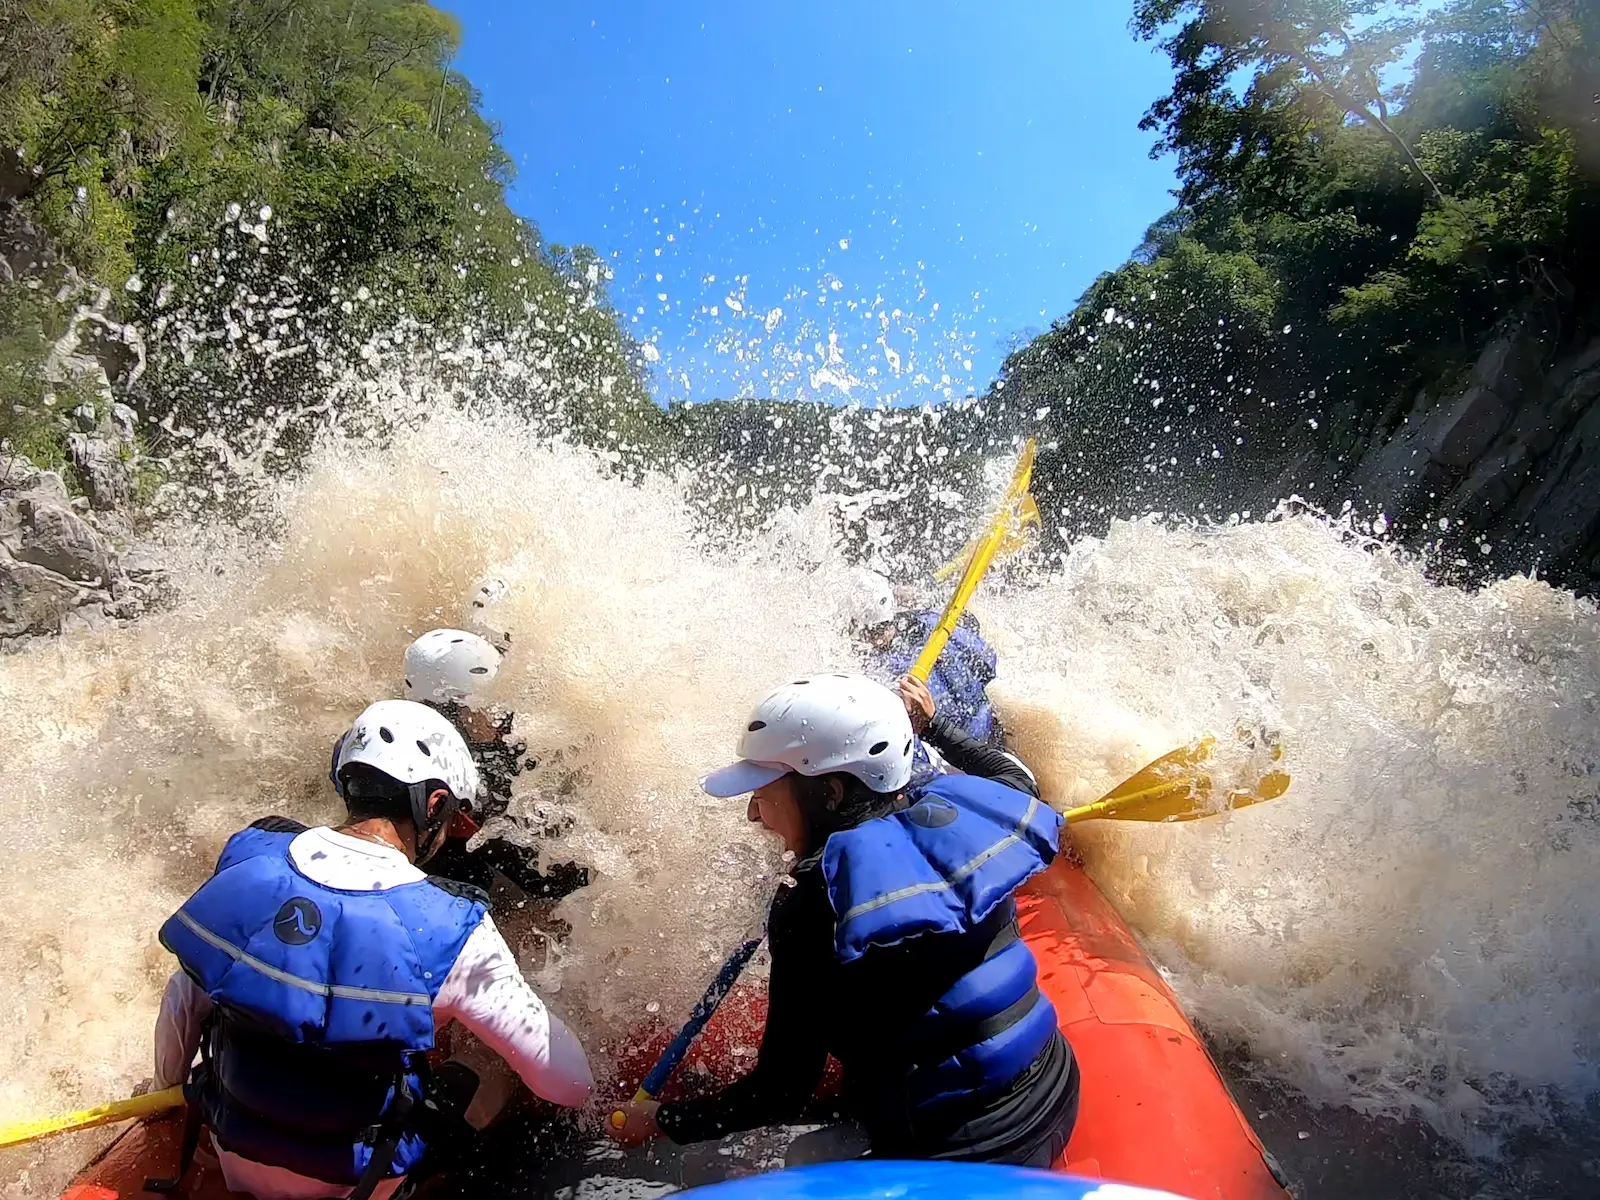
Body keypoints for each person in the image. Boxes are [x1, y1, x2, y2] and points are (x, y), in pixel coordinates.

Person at [607, 673, 1076, 1166]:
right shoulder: (968, 808)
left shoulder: (813, 903)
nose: (751, 813)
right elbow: (1013, 776)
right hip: (1056, 1090)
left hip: (976, 1157)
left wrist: (663, 1121)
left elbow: (781, 1091)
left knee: (802, 1159)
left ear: (829, 793)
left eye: (764, 791)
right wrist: (932, 727)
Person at [153, 700, 594, 1200]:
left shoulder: (251, 857)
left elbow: (185, 998)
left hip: (232, 1145)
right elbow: (566, 1083)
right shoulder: (451, 924)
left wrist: (163, 1091)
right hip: (358, 1182)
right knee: (485, 1060)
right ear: (434, 807)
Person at [330, 628, 588, 906]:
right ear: (453, 711)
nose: (502, 716)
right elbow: (543, 880)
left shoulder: (371, 735)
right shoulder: (450, 777)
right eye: (488, 707)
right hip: (428, 858)